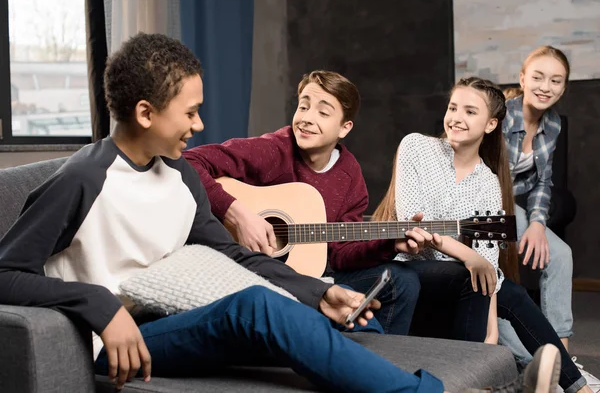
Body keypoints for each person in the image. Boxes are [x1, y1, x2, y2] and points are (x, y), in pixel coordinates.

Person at [1, 31, 558, 393]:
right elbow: (6, 271)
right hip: (120, 343)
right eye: (190, 113)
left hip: (179, 314)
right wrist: (98, 304)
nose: (199, 127)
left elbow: (235, 256)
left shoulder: (181, 179)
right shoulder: (82, 178)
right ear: (146, 112)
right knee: (258, 310)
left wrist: (319, 292)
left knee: (289, 306)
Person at [373, 76, 591, 393]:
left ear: (490, 124)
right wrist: (469, 255)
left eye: (470, 112)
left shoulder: (487, 183)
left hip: (460, 277)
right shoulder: (417, 146)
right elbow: (416, 223)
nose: (456, 118)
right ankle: (477, 380)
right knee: (468, 274)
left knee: (510, 293)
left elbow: (488, 267)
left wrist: (490, 334)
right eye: (453, 108)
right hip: (411, 266)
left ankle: (578, 387)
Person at [183, 70, 432, 336]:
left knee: (404, 280)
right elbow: (188, 161)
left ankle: (388, 363)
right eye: (303, 106)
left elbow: (340, 254)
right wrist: (238, 214)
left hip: (311, 272)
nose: (306, 119)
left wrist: (389, 244)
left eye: (323, 113)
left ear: (344, 127)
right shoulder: (273, 150)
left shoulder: (350, 176)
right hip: (246, 265)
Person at [501, 46, 599, 391]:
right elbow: (482, 173)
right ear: (523, 78)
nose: (546, 86)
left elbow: (542, 181)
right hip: (483, 202)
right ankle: (536, 362)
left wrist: (539, 224)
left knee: (561, 254)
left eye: (556, 80)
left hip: (515, 203)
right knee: (493, 280)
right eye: (538, 77)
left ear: (564, 87)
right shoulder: (502, 114)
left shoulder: (553, 123)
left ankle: (563, 360)